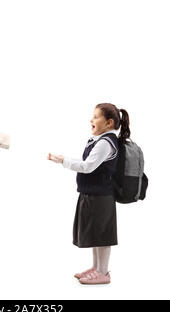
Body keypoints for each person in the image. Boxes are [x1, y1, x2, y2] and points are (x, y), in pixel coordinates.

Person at [48, 103, 130, 285]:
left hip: (102, 196)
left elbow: (88, 167)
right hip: (93, 194)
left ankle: (103, 272)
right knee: (96, 234)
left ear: (109, 123)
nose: (91, 120)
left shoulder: (105, 143)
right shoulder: (100, 140)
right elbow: (90, 164)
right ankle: (97, 268)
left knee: (102, 234)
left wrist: (63, 161)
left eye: (95, 117)